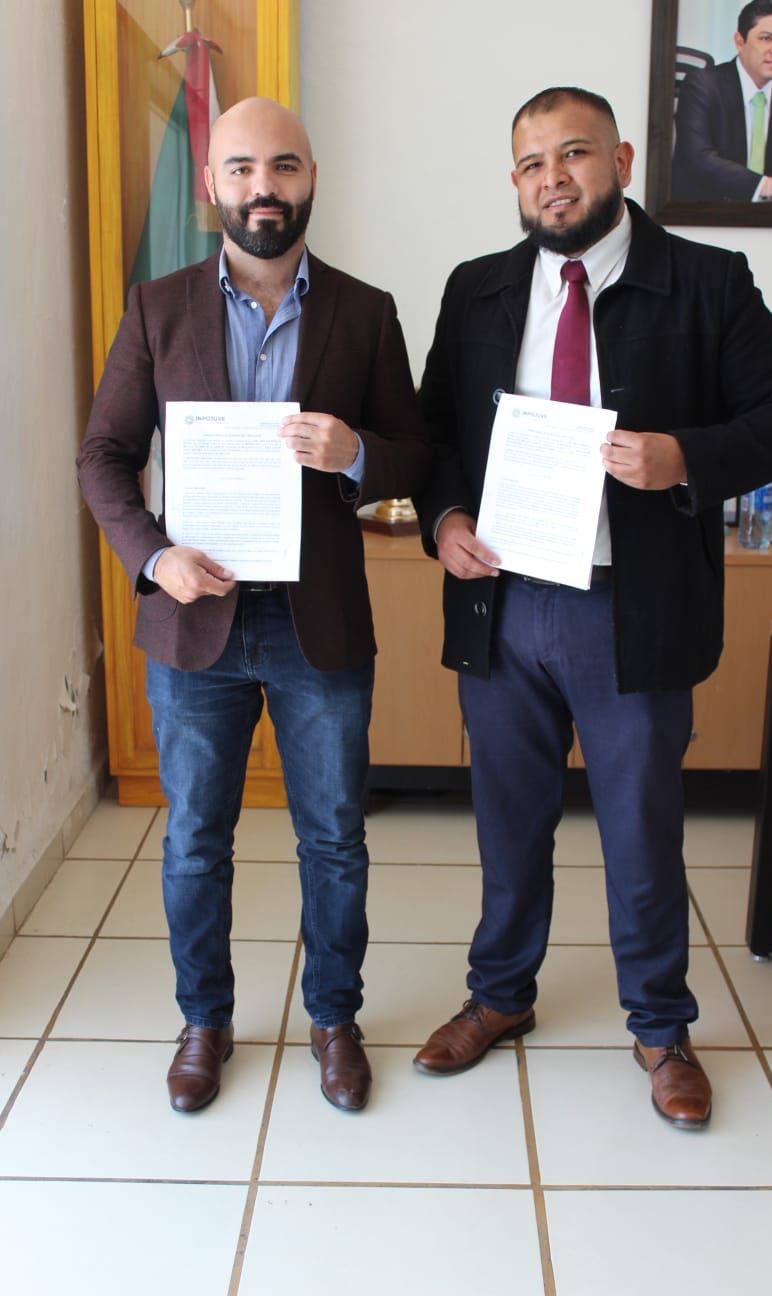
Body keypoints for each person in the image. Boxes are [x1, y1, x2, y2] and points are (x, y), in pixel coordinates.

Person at [412, 85, 772, 1129]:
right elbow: (434, 434)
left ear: (623, 161)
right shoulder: (477, 289)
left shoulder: (707, 281)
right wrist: (445, 518)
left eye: (574, 154)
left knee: (641, 828)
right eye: (531, 163)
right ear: (514, 182)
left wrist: (684, 456)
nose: (552, 179)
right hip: (502, 601)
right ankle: (500, 994)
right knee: (509, 822)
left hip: (628, 607)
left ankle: (661, 1026)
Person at [78, 97, 430, 1115]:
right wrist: (152, 557)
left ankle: (334, 1020)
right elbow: (103, 455)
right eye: (240, 168)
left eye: (282, 166)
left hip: (322, 626)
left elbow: (416, 453)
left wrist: (356, 454)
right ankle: (205, 1020)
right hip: (195, 624)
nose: (262, 187)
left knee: (335, 839)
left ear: (311, 177)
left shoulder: (366, 311)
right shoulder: (157, 307)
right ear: (211, 185)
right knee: (196, 839)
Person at [671, 1, 772, 203]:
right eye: (766, 38)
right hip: (705, 212)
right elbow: (697, 158)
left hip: (768, 217)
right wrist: (770, 185)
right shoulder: (702, 85)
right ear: (740, 42)